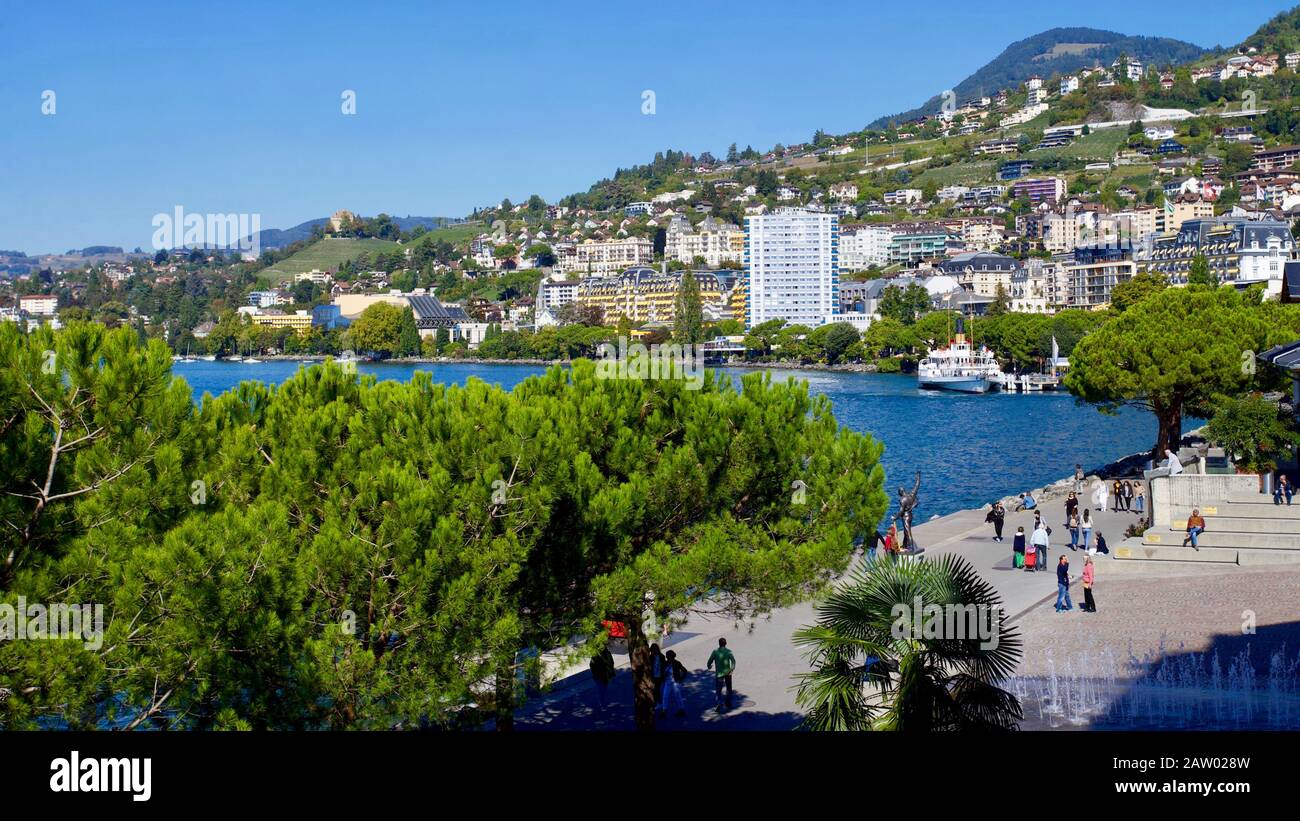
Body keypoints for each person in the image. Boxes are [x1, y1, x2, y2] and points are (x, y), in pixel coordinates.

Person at [706, 638, 736, 712]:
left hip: (719, 674)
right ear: (726, 643)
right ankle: (728, 702)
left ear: (719, 644)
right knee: (729, 688)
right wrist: (731, 669)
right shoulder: (729, 652)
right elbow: (733, 662)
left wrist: (709, 666)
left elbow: (709, 661)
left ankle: (719, 704)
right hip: (728, 673)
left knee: (718, 690)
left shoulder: (715, 652)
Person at [661, 650, 688, 717]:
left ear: (672, 656)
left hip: (675, 682)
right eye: (667, 656)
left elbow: (684, 671)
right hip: (667, 682)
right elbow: (662, 673)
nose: (667, 657)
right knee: (665, 696)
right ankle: (664, 710)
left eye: (668, 656)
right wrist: (664, 675)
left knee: (677, 696)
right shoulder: (665, 663)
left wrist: (681, 679)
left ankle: (681, 710)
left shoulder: (677, 663)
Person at [649, 644, 667, 709]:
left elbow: (664, 665)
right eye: (652, 650)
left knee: (656, 689)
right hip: (653, 675)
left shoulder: (662, 657)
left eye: (655, 650)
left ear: (657, 650)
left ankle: (657, 702)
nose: (653, 652)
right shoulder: (650, 657)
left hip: (660, 676)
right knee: (655, 689)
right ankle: (658, 702)